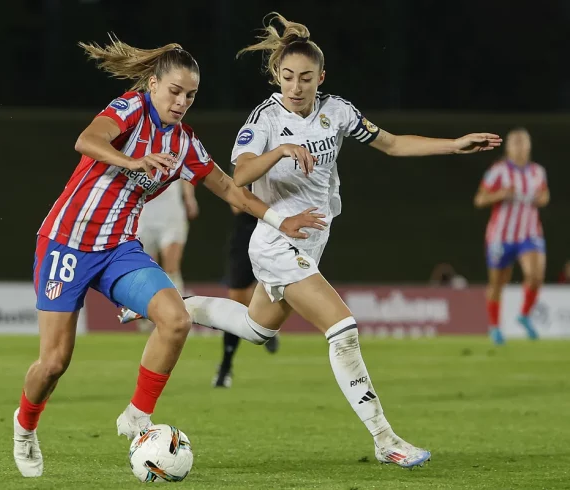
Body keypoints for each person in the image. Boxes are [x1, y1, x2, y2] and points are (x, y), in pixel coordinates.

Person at [132, 13, 501, 468]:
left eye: (306, 78)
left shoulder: (337, 112)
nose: (295, 86)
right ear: (276, 77)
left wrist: (454, 144)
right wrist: (281, 150)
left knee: (256, 328)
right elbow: (238, 176)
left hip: (310, 242)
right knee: (342, 329)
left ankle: (167, 302)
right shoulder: (265, 119)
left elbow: (391, 144)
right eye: (287, 77)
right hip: (274, 241)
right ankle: (385, 440)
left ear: (320, 77)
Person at [12, 34, 325, 478]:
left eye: (191, 95)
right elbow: (87, 140)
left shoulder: (183, 144)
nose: (181, 102)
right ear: (154, 85)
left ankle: (137, 416)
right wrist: (132, 161)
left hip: (120, 250)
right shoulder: (131, 108)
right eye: (175, 91)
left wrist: (279, 220)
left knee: (176, 318)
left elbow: (230, 190)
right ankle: (25, 427)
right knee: (54, 364)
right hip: (67, 243)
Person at [474, 128, 549, 345]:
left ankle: (524, 314)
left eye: (523, 142)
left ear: (529, 146)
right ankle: (495, 328)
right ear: (508, 147)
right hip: (500, 236)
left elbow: (545, 194)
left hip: (530, 233)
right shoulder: (498, 171)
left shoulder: (537, 172)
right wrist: (500, 194)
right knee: (498, 283)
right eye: (515, 142)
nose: (519, 146)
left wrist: (541, 199)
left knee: (535, 276)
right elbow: (479, 199)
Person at [213, 194, 279, 388]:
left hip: (277, 233)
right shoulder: (246, 162)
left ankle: (268, 323)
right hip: (246, 233)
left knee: (277, 291)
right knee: (237, 301)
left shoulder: (288, 162)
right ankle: (226, 365)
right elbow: (237, 204)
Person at [134, 179, 197, 332]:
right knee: (147, 270)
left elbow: (185, 170)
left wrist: (189, 197)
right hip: (143, 212)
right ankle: (147, 316)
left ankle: (179, 316)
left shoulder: (174, 153)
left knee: (171, 268)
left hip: (171, 211)